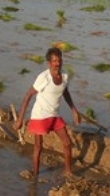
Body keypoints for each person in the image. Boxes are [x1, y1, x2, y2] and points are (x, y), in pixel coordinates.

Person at [15, 46, 82, 179]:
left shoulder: (64, 77)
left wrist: (74, 110)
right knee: (39, 145)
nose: (58, 63)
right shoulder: (43, 78)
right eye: (55, 61)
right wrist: (20, 119)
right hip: (40, 116)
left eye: (59, 60)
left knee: (67, 142)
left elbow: (65, 93)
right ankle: (35, 173)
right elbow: (28, 96)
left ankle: (68, 172)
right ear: (49, 63)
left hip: (54, 115)